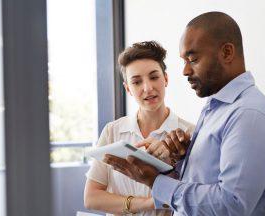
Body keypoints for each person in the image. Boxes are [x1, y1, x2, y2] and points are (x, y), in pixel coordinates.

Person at [104, 11, 265, 216]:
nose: (185, 71)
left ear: (226, 53)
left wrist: (155, 181)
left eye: (193, 59)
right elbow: (204, 186)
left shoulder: (249, 115)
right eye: (184, 61)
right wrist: (179, 162)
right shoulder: (216, 108)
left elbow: (231, 205)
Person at [83, 41, 195, 216]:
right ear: (128, 88)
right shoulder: (113, 131)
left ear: (165, 79)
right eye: (136, 82)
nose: (148, 88)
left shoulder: (189, 134)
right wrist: (150, 203)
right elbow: (91, 198)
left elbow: (196, 196)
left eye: (154, 77)